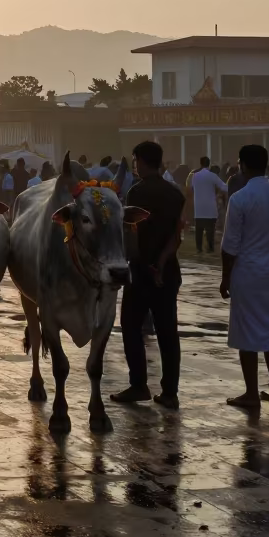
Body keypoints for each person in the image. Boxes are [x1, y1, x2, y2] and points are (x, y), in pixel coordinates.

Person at [111, 140, 185, 410]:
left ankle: (139, 384)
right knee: (168, 332)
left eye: (135, 161)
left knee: (131, 326)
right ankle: (170, 392)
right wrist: (162, 263)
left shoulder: (137, 193)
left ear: (141, 161)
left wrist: (146, 265)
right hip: (168, 270)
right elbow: (177, 235)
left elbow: (134, 236)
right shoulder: (175, 193)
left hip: (142, 271)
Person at [220, 145, 269, 409]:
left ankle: (252, 393)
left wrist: (225, 277)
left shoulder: (240, 198)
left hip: (249, 272)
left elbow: (230, 245)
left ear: (242, 165)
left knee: (248, 335)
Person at [190, 155, 227, 253]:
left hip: (198, 208)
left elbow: (192, 188)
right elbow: (224, 187)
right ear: (209, 164)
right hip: (210, 208)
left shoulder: (195, 176)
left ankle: (199, 248)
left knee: (199, 230)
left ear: (200, 163)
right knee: (210, 230)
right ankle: (210, 248)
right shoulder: (212, 176)